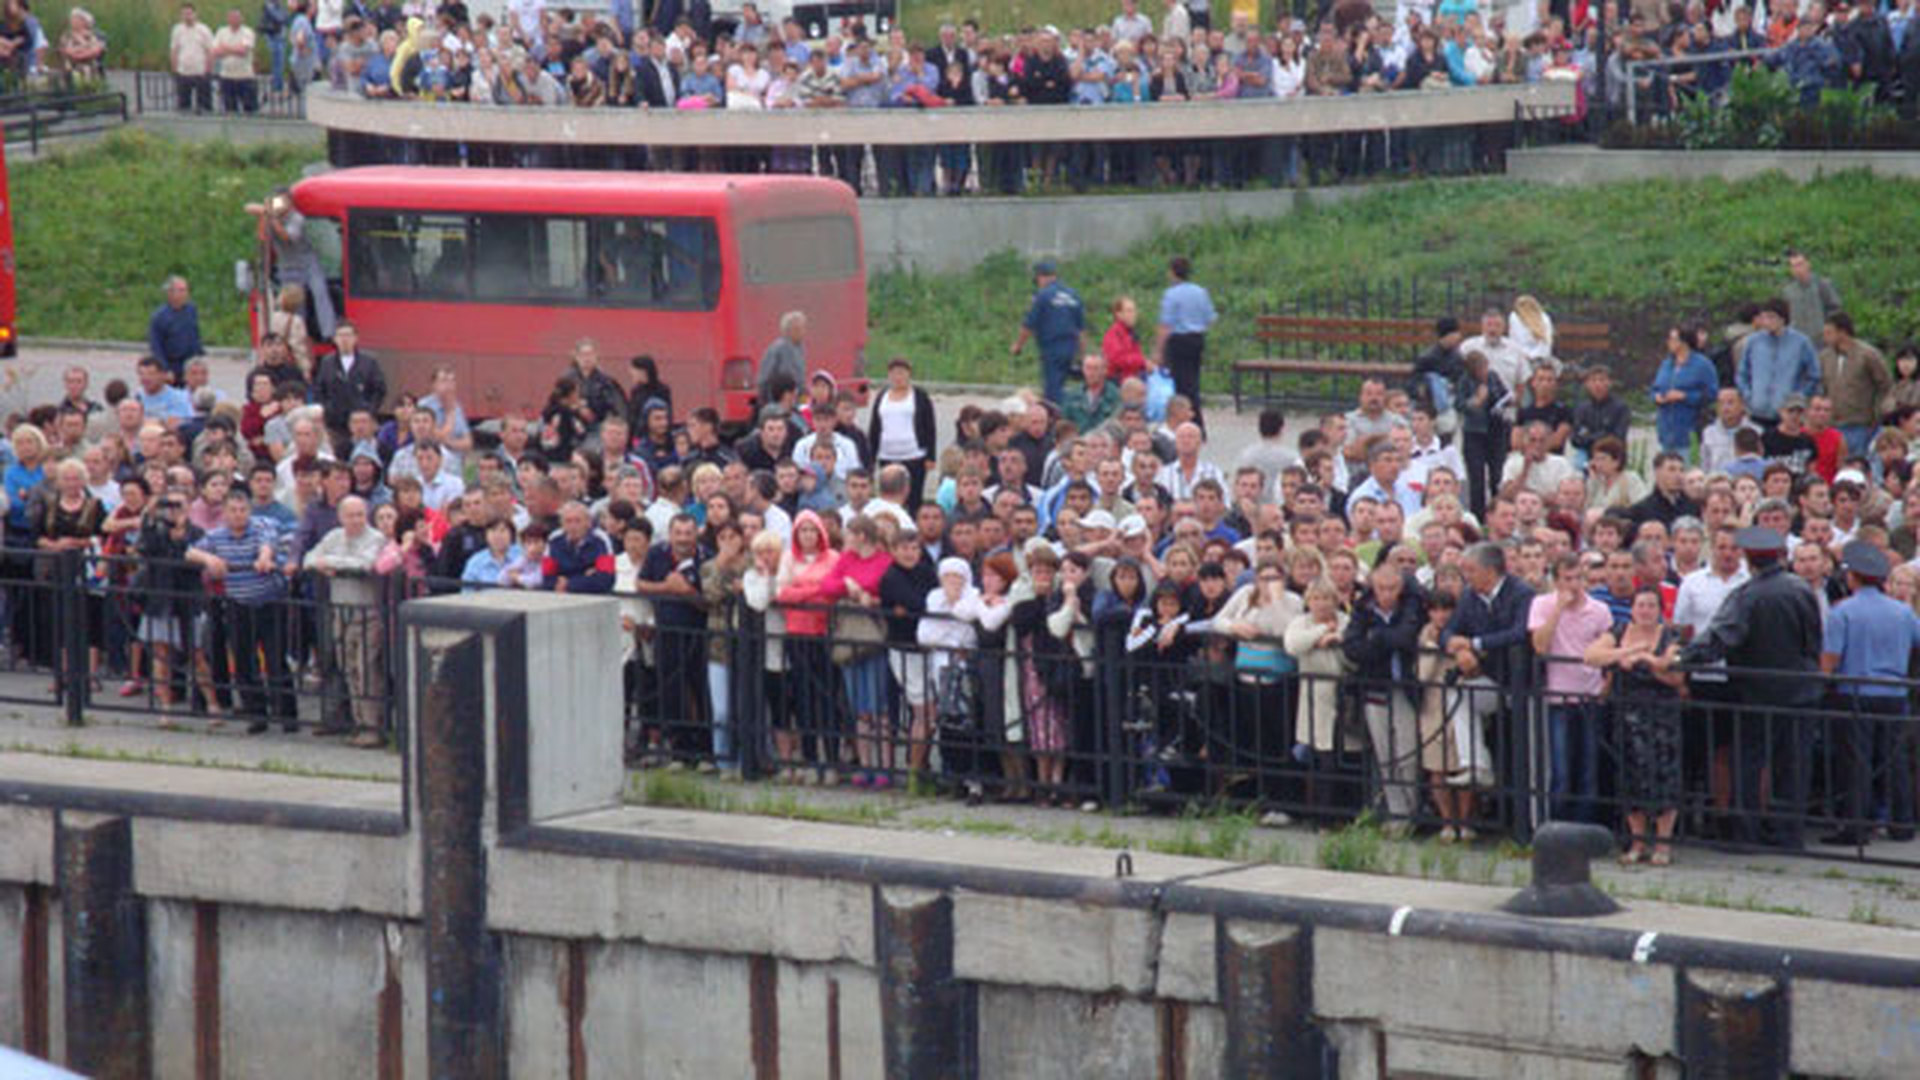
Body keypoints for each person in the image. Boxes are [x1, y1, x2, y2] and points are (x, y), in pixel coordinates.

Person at [1680, 526, 1823, 849]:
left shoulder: (1747, 595)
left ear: (1748, 558)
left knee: (1749, 761)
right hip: (1800, 690)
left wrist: (1680, 657)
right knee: (1794, 764)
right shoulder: (1801, 589)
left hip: (1756, 692)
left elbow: (1719, 639)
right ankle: (1789, 834)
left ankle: (1747, 833)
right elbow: (1813, 640)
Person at [1818, 541, 1920, 846]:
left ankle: (1855, 826)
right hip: (1894, 692)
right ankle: (1902, 823)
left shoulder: (1843, 611)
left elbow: (1830, 660)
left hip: (1856, 691)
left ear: (1853, 578)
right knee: (1894, 759)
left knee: (1856, 761)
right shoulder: (1902, 612)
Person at [1588, 585, 1687, 865]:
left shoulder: (1670, 635)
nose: (1645, 611)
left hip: (1661, 715)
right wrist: (1625, 653)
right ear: (1632, 609)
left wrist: (1648, 659)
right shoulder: (1619, 632)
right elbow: (1592, 655)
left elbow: (1676, 675)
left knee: (1665, 775)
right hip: (1625, 714)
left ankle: (1663, 844)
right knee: (1629, 774)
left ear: (1660, 610)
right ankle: (1638, 840)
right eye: (1640, 605)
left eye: (1651, 606)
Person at [1529, 552, 1614, 824]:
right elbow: (1540, 646)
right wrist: (1557, 610)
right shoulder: (1541, 604)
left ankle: (1585, 830)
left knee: (1589, 770)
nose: (1574, 585)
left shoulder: (1599, 610)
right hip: (1557, 697)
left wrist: (1606, 685)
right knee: (1561, 770)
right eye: (1567, 579)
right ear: (1556, 581)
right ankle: (1557, 827)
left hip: (1589, 695)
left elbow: (1609, 647)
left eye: (1578, 578)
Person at [302, 495, 389, 747]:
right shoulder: (333, 537)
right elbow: (309, 558)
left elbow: (366, 564)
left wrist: (331, 564)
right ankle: (358, 723)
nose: (356, 520)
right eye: (350, 515)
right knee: (348, 667)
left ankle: (373, 726)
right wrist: (323, 563)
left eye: (360, 514)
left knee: (366, 669)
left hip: (367, 612)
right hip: (340, 611)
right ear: (340, 517)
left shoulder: (376, 538)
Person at [866, 356, 936, 515]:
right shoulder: (882, 396)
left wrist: (931, 456)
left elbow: (929, 425)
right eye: (894, 373)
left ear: (909, 374)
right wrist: (871, 457)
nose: (898, 377)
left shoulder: (919, 396)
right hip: (887, 455)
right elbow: (875, 427)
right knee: (889, 499)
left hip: (914, 455)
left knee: (914, 499)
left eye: (902, 373)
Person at [1155, 256, 1218, 430]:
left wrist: (1158, 351)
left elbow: (1165, 325)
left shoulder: (1171, 294)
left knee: (1181, 384)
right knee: (1194, 381)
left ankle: (1188, 421)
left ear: (1172, 272)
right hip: (1196, 339)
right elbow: (1210, 319)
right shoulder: (1200, 291)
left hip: (1179, 341)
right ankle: (1196, 421)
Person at [1010, 261, 1086, 406]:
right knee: (1063, 385)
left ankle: (1055, 420)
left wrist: (1018, 346)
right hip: (1070, 348)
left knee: (1052, 390)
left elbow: (1028, 325)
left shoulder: (1042, 296)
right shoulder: (1073, 295)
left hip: (1052, 348)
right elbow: (1081, 330)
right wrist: (1082, 355)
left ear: (1041, 277)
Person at [1650, 327, 1719, 458]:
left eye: (1673, 339)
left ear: (1684, 342)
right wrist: (1657, 397)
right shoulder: (1666, 364)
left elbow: (1712, 394)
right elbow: (1655, 388)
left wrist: (1685, 396)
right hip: (1666, 431)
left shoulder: (1702, 365)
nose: (1669, 342)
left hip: (1689, 430)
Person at [313, 322, 386, 447]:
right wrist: (327, 409)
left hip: (361, 421)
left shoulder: (368, 362)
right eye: (340, 336)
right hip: (335, 422)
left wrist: (370, 410)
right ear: (335, 339)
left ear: (355, 338)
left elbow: (379, 390)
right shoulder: (327, 363)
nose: (344, 340)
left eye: (348, 335)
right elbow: (319, 390)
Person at [148, 277, 204, 384]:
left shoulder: (191, 310)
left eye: (186, 290)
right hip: (172, 365)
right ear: (170, 293)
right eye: (181, 290)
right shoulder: (159, 317)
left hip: (190, 365)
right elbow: (156, 347)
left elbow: (195, 334)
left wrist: (199, 357)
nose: (185, 294)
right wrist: (165, 369)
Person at [1782, 249, 1842, 337]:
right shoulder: (1788, 291)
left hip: (1821, 339)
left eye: (1800, 264)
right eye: (1794, 266)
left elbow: (1835, 310)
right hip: (1798, 340)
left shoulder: (1822, 285)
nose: (1798, 269)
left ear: (1808, 264)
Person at [172, 3, 218, 113]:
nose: (187, 16)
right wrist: (175, 69)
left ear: (195, 14)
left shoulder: (204, 30)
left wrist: (208, 70)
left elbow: (210, 51)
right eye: (184, 14)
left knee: (204, 105)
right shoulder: (177, 30)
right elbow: (174, 50)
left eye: (189, 13)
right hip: (183, 72)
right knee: (183, 105)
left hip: (200, 71)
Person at [212, 8, 259, 113]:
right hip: (227, 77)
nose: (235, 20)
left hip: (245, 77)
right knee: (230, 110)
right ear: (228, 19)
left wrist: (225, 48)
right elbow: (215, 52)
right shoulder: (221, 32)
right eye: (232, 17)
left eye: (237, 17)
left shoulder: (248, 32)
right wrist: (234, 49)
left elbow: (243, 51)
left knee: (250, 110)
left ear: (242, 19)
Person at [758, 311, 808, 408]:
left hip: (796, 402)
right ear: (788, 330)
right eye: (799, 329)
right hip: (778, 403)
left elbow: (801, 380)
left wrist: (803, 400)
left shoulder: (800, 348)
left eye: (804, 328)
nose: (803, 332)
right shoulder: (777, 349)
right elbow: (764, 379)